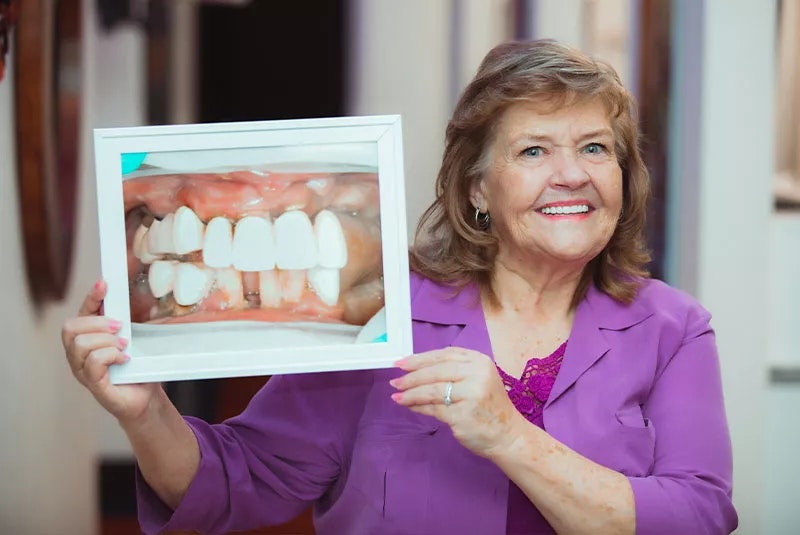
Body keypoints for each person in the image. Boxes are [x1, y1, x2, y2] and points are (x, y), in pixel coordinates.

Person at [62, 39, 738, 534]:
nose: (572, 174)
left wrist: (510, 436)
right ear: (477, 190)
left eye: (594, 148)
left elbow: (698, 517)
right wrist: (144, 413)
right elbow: (243, 481)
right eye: (534, 150)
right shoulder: (383, 314)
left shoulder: (673, 329)